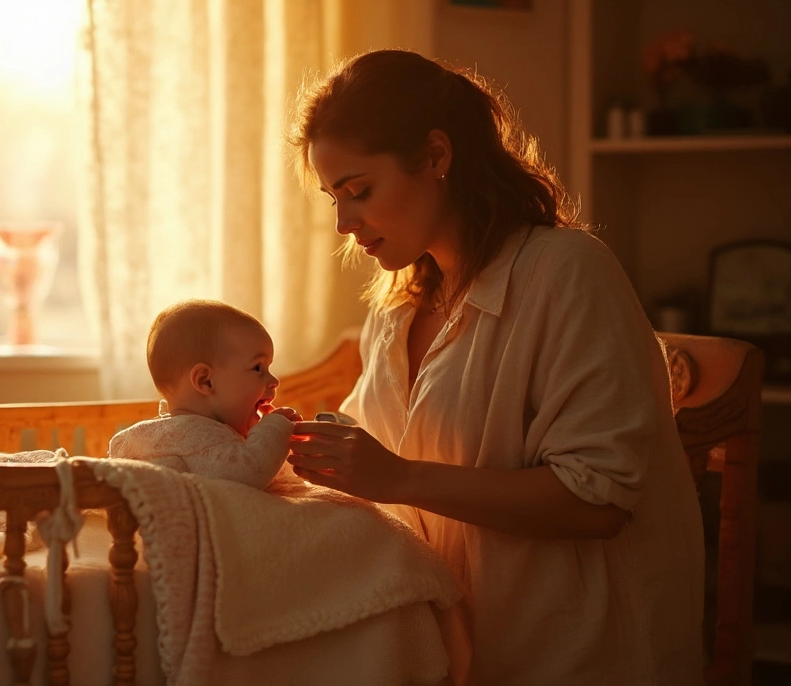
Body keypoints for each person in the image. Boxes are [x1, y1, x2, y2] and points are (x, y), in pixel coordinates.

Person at [284, 49, 704, 685]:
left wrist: (398, 477)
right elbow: (370, 455)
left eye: (359, 191)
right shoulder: (399, 305)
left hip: (575, 656)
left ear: (436, 156)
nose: (344, 223)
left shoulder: (565, 272)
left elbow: (598, 502)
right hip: (452, 649)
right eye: (332, 199)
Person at [108, 299, 303, 490]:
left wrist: (254, 434)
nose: (274, 381)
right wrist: (274, 430)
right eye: (258, 367)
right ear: (205, 381)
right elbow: (251, 471)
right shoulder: (193, 433)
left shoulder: (168, 434)